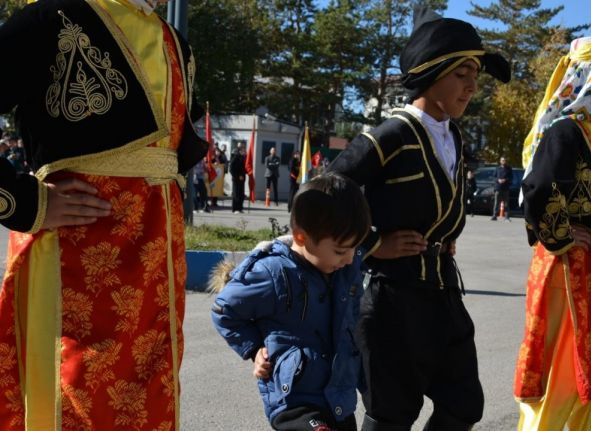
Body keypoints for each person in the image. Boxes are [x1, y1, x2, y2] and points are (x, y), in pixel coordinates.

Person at [0, 0, 208, 428]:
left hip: (157, 270)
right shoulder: (49, 20)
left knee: (151, 400)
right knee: (72, 396)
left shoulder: (175, 42)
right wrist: (23, 200)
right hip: (74, 259)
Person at [328, 7, 510, 430]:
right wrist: (372, 243)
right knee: (391, 413)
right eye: (463, 73)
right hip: (392, 297)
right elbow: (323, 194)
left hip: (443, 290)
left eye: (476, 75)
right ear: (433, 71)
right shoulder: (391, 133)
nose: (472, 86)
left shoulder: (454, 135)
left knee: (464, 403)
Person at [515, 33, 591, 431]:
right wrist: (561, 235)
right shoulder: (566, 131)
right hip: (568, 273)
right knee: (559, 378)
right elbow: (537, 187)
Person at [210, 172, 371, 431]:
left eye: (355, 248)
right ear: (301, 237)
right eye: (341, 251)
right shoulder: (273, 272)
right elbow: (224, 310)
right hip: (293, 399)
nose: (351, 259)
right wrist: (254, 349)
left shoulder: (342, 269)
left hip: (338, 399)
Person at [490, 156, 512, 221]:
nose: (503, 161)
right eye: (502, 160)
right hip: (498, 188)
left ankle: (507, 217)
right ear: (500, 161)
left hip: (505, 188)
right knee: (496, 203)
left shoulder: (509, 169)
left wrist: (505, 180)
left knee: (506, 203)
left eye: (504, 160)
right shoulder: (497, 168)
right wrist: (498, 180)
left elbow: (511, 178)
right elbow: (494, 177)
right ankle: (494, 216)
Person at [230, 142, 246, 213]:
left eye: (243, 148)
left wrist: (243, 175)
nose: (244, 151)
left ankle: (240, 208)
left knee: (241, 194)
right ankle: (235, 209)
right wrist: (237, 176)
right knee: (236, 194)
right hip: (236, 178)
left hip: (242, 178)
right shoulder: (235, 156)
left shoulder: (243, 158)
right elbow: (231, 169)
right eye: (242, 149)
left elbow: (244, 168)